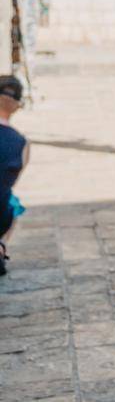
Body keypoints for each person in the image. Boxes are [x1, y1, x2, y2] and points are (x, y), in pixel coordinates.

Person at [0, 75, 28, 270]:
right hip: (1, 212)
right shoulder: (21, 143)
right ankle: (1, 246)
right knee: (13, 203)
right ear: (17, 105)